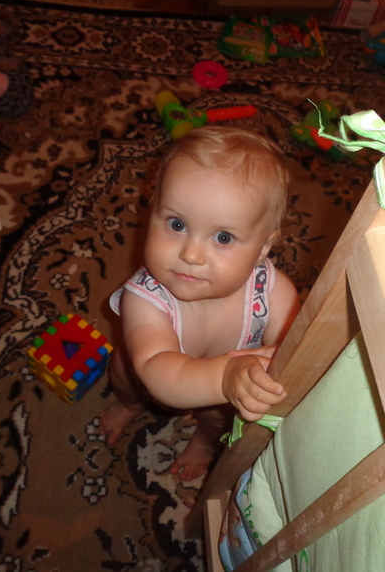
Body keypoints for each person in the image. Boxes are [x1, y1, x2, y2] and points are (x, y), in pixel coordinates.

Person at [99, 126, 301, 480]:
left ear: (263, 248)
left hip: (219, 393)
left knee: (218, 416)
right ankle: (128, 406)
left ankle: (204, 442)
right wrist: (224, 375)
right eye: (177, 224)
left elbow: (299, 344)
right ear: (152, 211)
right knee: (127, 380)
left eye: (223, 237)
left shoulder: (272, 291)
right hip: (147, 378)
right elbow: (159, 370)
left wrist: (278, 358)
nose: (191, 254)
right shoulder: (144, 299)